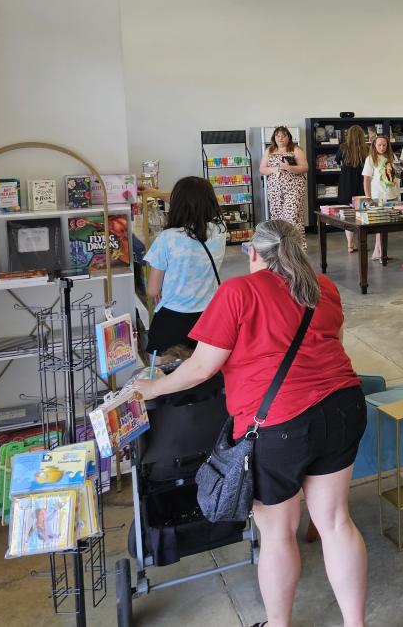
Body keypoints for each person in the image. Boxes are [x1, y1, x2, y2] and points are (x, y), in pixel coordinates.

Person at [135, 220, 367, 627]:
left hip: (278, 426)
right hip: (343, 408)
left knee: (277, 534)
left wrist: (152, 388)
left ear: (254, 253)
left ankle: (278, 625)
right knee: (334, 521)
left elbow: (201, 368)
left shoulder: (237, 292)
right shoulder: (322, 287)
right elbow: (333, 345)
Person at [144, 175, 228, 353]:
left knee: (166, 367)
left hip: (173, 319)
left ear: (177, 205)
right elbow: (196, 203)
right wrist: (154, 192)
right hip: (209, 316)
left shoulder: (167, 238)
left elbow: (152, 290)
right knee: (203, 366)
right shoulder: (219, 231)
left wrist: (153, 194)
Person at [261, 126, 308, 239]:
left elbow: (305, 168)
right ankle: (281, 244)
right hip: (275, 190)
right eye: (278, 136)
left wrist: (289, 168)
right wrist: (273, 169)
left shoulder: (296, 149)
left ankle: (295, 244)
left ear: (289, 137)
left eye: (283, 136)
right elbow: (262, 169)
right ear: (274, 138)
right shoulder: (269, 150)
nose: (280, 138)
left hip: (294, 188)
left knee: (292, 216)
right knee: (277, 217)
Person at [361, 133, 398, 263]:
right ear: (374, 145)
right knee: (380, 225)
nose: (382, 147)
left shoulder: (392, 157)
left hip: (392, 195)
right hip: (378, 197)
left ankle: (378, 252)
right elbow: (366, 179)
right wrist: (368, 196)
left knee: (385, 226)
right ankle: (380, 253)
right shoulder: (371, 159)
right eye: (379, 145)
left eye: (384, 145)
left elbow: (396, 175)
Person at [335, 126, 369, 254]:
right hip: (361, 185)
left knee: (348, 216)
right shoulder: (366, 149)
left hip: (346, 185)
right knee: (361, 215)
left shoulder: (343, 147)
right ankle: (361, 242)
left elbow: (337, 160)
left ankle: (350, 244)